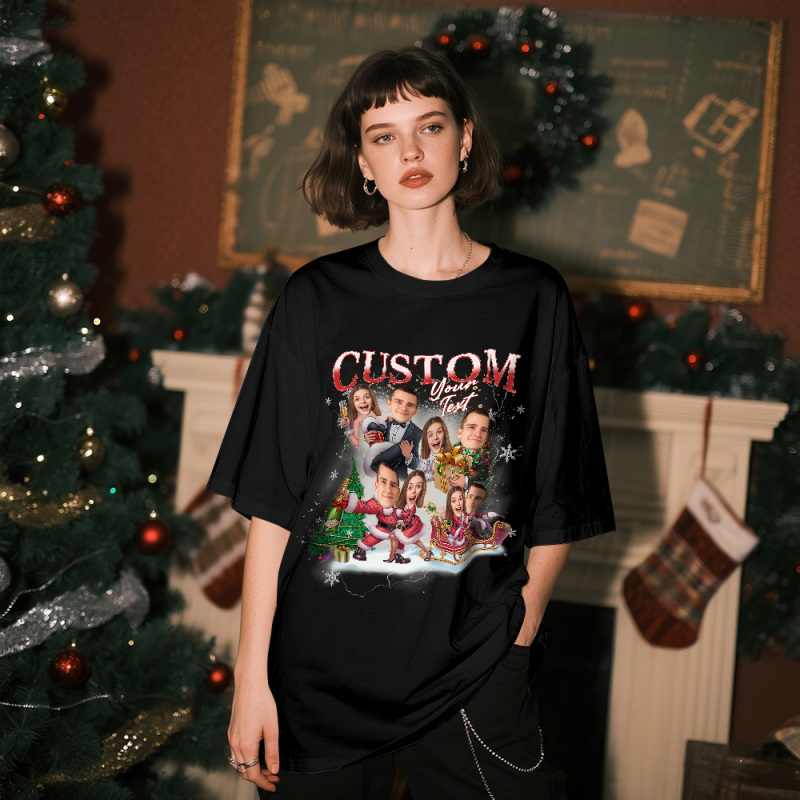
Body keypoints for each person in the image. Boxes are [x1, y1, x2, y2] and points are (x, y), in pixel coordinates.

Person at [207, 46, 614, 799]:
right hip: (319, 671)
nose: (411, 152)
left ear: (465, 139)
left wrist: (518, 632)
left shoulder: (534, 298)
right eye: (384, 136)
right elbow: (274, 501)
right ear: (363, 162)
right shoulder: (316, 298)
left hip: (477, 663)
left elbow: (559, 494)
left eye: (430, 126)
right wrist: (251, 677)